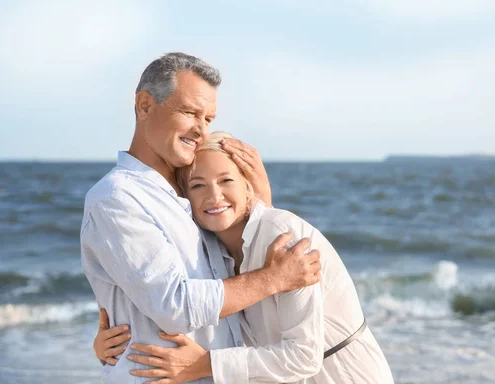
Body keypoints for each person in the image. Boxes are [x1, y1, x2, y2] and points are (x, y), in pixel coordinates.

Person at [81, 53, 322, 384]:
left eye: (208, 118)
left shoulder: (191, 192)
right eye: (190, 112)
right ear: (145, 105)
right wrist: (274, 278)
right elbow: (175, 306)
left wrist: (260, 196)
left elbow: (238, 259)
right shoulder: (116, 198)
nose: (200, 129)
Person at [95, 132, 394, 383]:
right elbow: (175, 297)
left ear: (247, 185)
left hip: (346, 375)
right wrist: (112, 338)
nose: (214, 196)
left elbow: (304, 356)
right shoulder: (211, 249)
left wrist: (204, 364)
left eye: (226, 180)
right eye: (198, 185)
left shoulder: (282, 235)